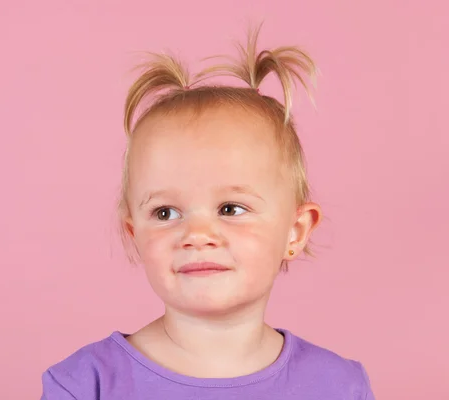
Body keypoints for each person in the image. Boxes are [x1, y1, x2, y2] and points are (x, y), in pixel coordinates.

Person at [40, 24, 375, 399]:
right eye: (165, 213)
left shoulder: (338, 386)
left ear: (295, 232)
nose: (197, 233)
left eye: (231, 208)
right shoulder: (86, 384)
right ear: (135, 236)